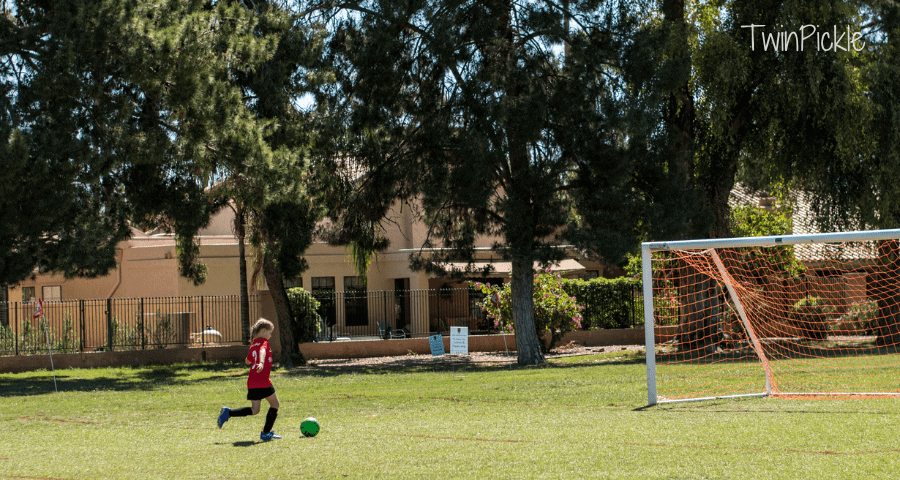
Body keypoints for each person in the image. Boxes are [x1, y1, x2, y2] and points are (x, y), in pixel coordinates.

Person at [217, 318, 282, 441]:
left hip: (252, 382)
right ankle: (266, 433)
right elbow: (262, 351)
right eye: (270, 332)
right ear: (263, 331)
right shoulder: (263, 342)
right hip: (262, 381)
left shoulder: (253, 344)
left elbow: (247, 361)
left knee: (255, 410)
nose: (270, 335)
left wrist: (255, 360)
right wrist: (261, 363)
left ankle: (228, 413)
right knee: (275, 404)